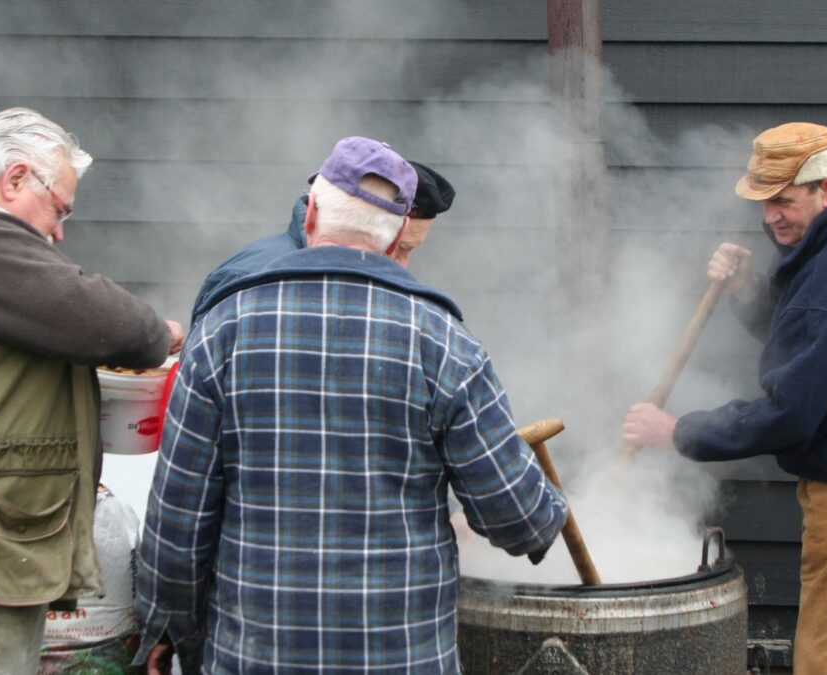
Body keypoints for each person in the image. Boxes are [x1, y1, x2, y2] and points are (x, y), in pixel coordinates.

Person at [135, 137, 566, 674]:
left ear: (311, 212)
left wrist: (168, 624)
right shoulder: (445, 342)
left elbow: (179, 513)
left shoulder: (225, 329)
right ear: (393, 244)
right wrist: (552, 506)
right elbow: (519, 519)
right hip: (401, 659)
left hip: (255, 657)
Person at [622, 122, 827, 675]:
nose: (772, 216)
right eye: (764, 202)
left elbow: (791, 414)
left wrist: (677, 431)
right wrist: (750, 290)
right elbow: (808, 347)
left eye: (784, 201)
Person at [0, 107, 184, 675]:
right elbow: (98, 318)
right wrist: (162, 334)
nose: (59, 231)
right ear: (16, 178)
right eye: (59, 208)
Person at [189, 159, 455, 327]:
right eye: (399, 248)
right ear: (365, 223)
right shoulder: (246, 279)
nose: (404, 267)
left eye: (411, 250)